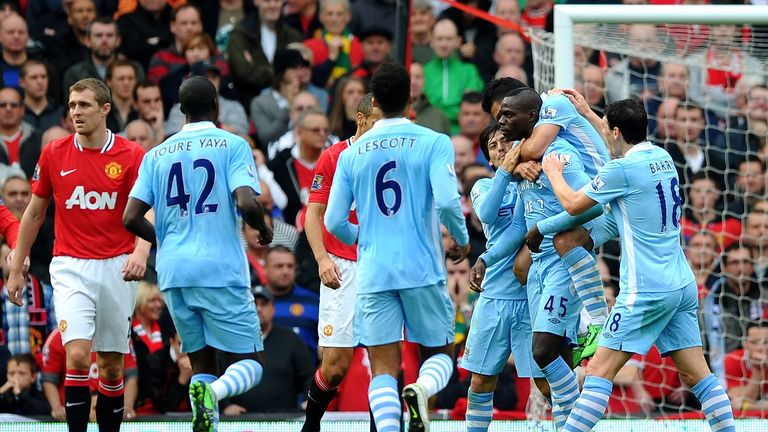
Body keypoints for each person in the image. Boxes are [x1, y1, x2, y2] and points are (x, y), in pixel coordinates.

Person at [541, 98, 736, 432]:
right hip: (681, 284)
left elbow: (573, 204)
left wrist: (553, 172)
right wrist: (589, 114)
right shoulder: (661, 156)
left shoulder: (621, 170)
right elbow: (618, 143)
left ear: (616, 131)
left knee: (599, 370)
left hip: (645, 290)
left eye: (606, 127)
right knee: (696, 374)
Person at [122, 76, 273, 432]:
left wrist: (164, 241)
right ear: (217, 107)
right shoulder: (232, 144)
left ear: (181, 110)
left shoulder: (156, 153)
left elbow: (130, 217)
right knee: (252, 363)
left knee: (201, 362)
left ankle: (206, 415)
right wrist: (263, 229)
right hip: (219, 269)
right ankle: (215, 393)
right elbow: (247, 201)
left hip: (174, 273)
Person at [325, 61, 470, 432]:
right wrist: (462, 239)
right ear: (411, 98)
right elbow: (451, 203)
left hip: (373, 272)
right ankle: (420, 389)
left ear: (373, 102)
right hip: (421, 266)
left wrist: (363, 239)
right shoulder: (433, 141)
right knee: (440, 355)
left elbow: (333, 221)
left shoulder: (351, 153)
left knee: (383, 367)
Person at [6, 78, 149, 432]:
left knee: (113, 366)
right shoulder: (54, 152)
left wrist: (141, 251)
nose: (75, 112)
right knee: (79, 356)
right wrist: (16, 266)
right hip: (70, 265)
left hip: (119, 265)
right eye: (71, 106)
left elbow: (148, 211)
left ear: (105, 109)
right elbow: (34, 213)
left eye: (83, 105)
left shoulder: (131, 155)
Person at [301, 93, 380, 432]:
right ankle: (311, 425)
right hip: (341, 267)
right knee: (335, 366)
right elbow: (312, 215)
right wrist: (321, 259)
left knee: (383, 362)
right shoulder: (334, 157)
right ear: (361, 120)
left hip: (381, 265)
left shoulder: (390, 155)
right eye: (377, 121)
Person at [463, 123, 545, 432]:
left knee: (543, 380)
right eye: (493, 145)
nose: (501, 147)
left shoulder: (533, 180)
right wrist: (508, 172)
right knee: (482, 380)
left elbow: (523, 227)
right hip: (494, 296)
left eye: (506, 141)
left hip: (529, 297)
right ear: (489, 157)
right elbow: (486, 214)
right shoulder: (483, 186)